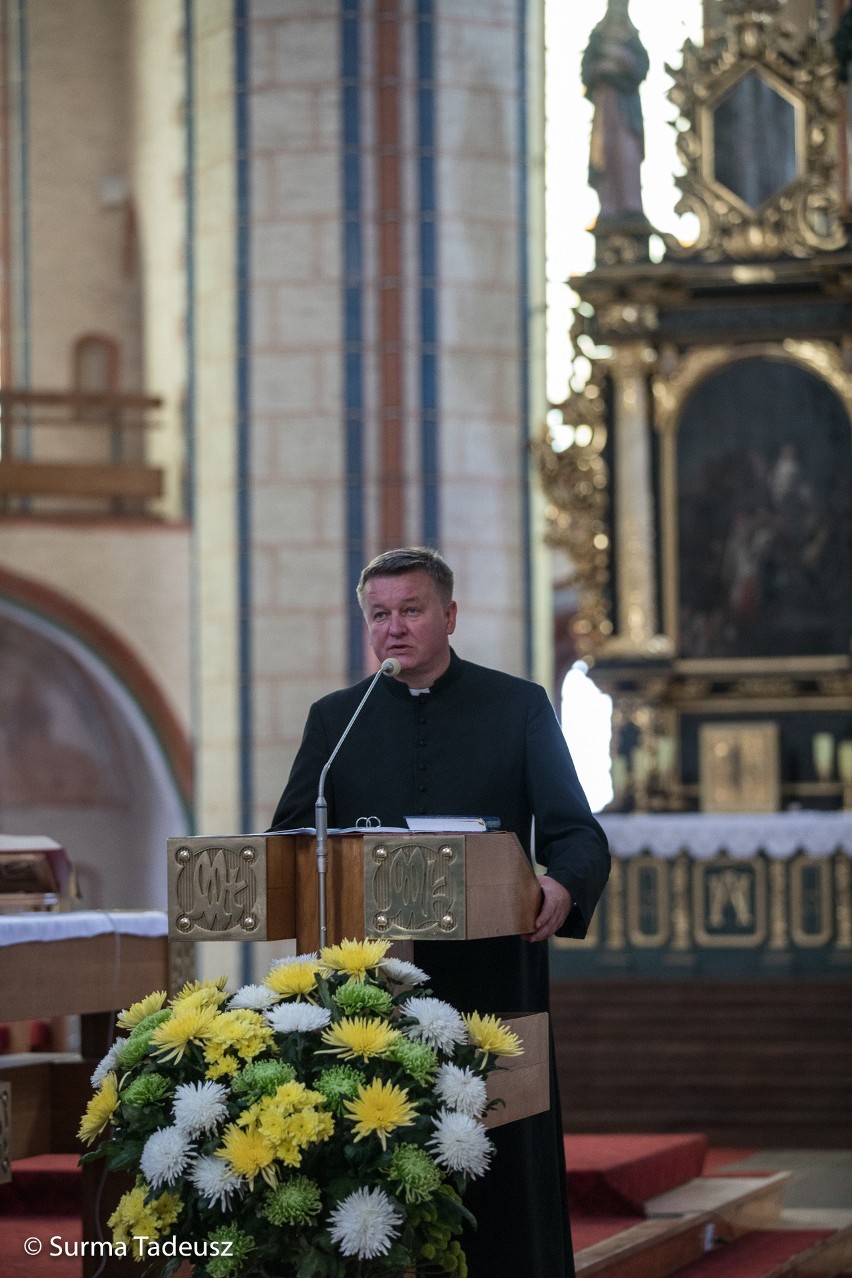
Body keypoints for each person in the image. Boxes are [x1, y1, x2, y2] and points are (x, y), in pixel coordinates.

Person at [271, 546, 610, 1278]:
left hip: (491, 977)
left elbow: (577, 834)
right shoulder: (336, 720)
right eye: (379, 615)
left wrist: (560, 886)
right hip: (373, 990)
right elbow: (289, 841)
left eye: (411, 611)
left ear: (449, 616)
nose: (394, 628)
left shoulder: (517, 706)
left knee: (500, 1157)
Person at [581, 0, 650, 224]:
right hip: (604, 108)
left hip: (625, 109)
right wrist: (600, 69)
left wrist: (623, 59)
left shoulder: (631, 39)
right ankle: (608, 206)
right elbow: (586, 71)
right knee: (605, 154)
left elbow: (641, 67)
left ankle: (630, 204)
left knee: (627, 155)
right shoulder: (598, 37)